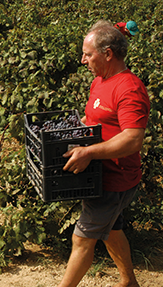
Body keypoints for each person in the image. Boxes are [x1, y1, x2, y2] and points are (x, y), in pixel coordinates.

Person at [57, 20, 150, 287]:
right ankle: (129, 282)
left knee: (82, 238)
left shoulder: (129, 89)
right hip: (100, 173)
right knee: (112, 229)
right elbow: (98, 123)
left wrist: (89, 152)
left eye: (88, 54)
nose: (82, 60)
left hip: (116, 178)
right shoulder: (101, 81)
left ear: (107, 54)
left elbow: (133, 139)